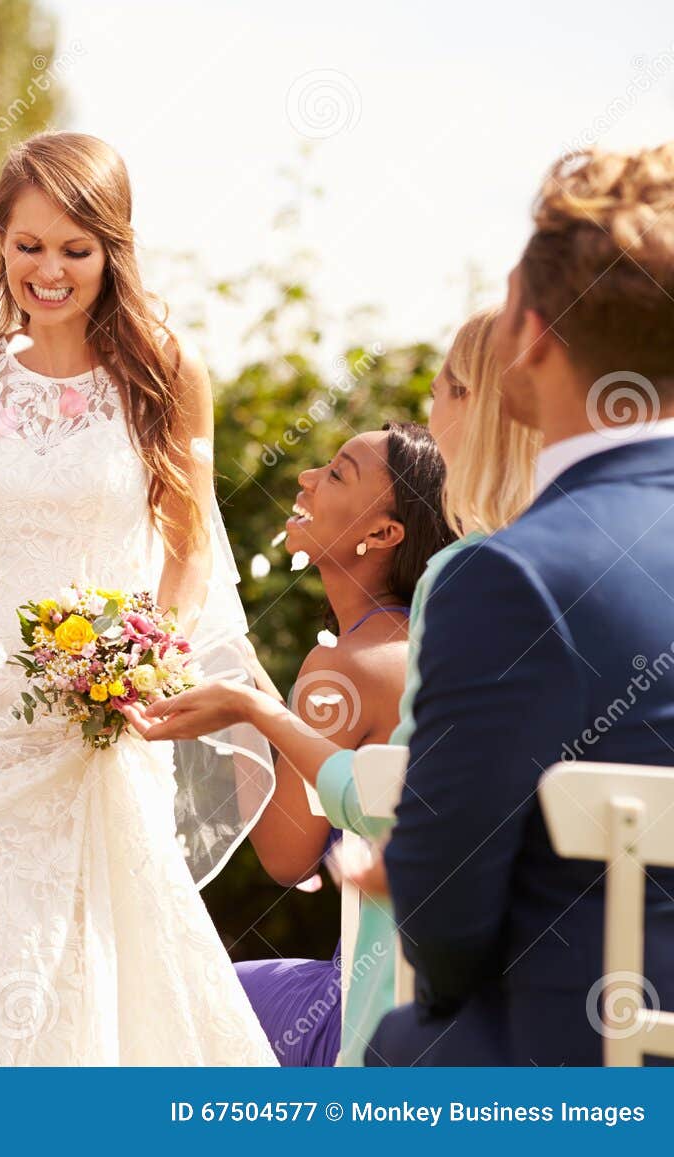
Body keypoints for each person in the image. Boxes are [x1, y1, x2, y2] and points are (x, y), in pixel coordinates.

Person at [0, 131, 276, 1064]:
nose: (50, 270)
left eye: (76, 248)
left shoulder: (167, 374)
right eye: (28, 246)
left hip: (101, 718)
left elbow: (189, 549)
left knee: (108, 958)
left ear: (113, 249)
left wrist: (141, 664)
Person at [373, 142, 674, 1065]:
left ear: (532, 333)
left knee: (398, 1046)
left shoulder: (511, 577)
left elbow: (441, 923)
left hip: (585, 1074)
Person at [139, 419, 460, 1065]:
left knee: (165, 1006)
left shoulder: (342, 667)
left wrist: (247, 710)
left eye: (337, 472)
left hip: (360, 1008)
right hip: (435, 998)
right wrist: (254, 690)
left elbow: (288, 859)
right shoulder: (410, 647)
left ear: (382, 534)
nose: (306, 478)